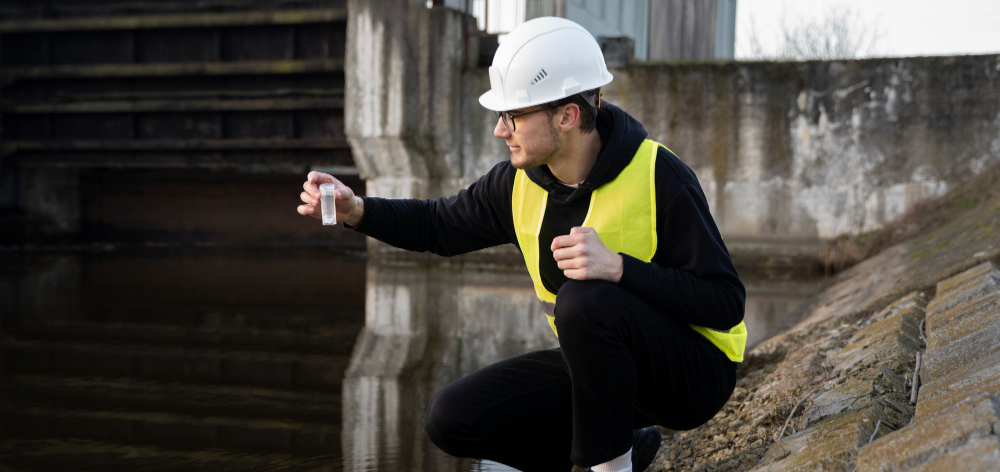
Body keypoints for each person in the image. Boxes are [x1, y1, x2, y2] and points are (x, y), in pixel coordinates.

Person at [297, 16, 746, 472]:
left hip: (693, 377)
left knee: (584, 299)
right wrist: (356, 210)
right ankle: (630, 445)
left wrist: (620, 269)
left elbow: (726, 302)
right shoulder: (516, 184)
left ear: (567, 116)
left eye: (512, 116)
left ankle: (610, 467)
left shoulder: (658, 174)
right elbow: (437, 224)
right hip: (602, 376)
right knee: (451, 419)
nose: (500, 130)